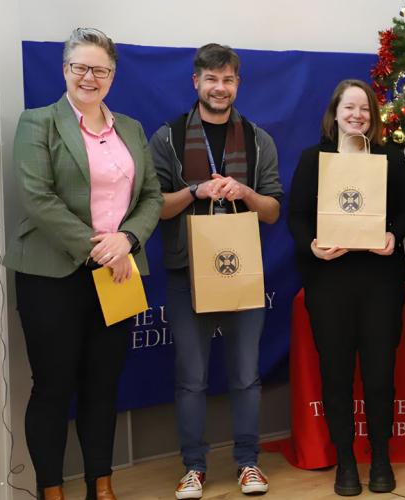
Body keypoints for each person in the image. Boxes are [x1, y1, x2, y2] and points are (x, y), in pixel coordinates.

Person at [4, 28, 163, 500]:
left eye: (100, 69)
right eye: (80, 67)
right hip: (52, 276)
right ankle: (51, 491)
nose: (89, 77)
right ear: (65, 71)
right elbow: (37, 198)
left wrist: (128, 239)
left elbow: (151, 195)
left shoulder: (130, 129)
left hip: (118, 272)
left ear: (112, 76)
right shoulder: (38, 123)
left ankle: (103, 485)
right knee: (53, 387)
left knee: (103, 385)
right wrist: (100, 247)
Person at [149, 43, 282, 498]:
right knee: (191, 378)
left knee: (246, 374)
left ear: (237, 84)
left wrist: (243, 191)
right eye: (211, 79)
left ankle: (248, 463)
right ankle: (193, 467)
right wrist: (196, 189)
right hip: (188, 273)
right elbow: (157, 209)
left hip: (242, 272)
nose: (219, 88)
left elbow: (271, 212)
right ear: (196, 83)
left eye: (227, 80)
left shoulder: (259, 139)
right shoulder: (167, 137)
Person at [288, 79, 405, 496]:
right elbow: (298, 215)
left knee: (379, 375)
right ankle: (345, 461)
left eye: (365, 109)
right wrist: (312, 246)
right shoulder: (314, 159)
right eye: (350, 108)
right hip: (330, 282)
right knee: (336, 374)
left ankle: (380, 457)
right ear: (335, 113)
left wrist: (395, 234)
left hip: (380, 281)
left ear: (372, 117)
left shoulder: (389, 158)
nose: (357, 115)